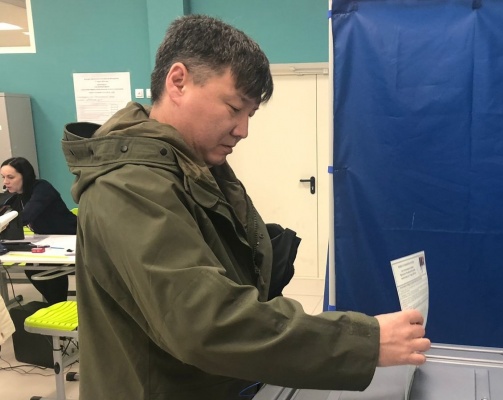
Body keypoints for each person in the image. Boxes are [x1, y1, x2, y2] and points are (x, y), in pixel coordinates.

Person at [62, 15, 431, 400]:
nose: (243, 130)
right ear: (178, 81)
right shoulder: (128, 185)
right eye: (233, 107)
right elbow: (205, 323)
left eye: (249, 115)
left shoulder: (192, 167)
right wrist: (364, 343)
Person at [0, 157, 77, 304]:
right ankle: (56, 304)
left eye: (10, 177)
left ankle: (58, 305)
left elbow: (26, 216)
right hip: (50, 241)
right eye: (3, 177)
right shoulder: (17, 196)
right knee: (32, 269)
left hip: (71, 237)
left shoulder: (42, 188)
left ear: (25, 176)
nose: (5, 182)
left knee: (44, 269)